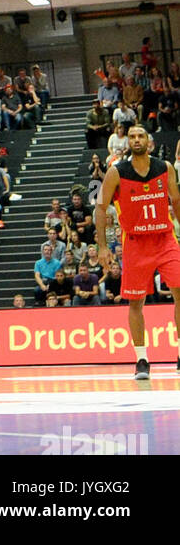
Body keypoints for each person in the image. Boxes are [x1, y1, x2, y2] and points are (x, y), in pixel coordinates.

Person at [95, 125, 180, 380]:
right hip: (134, 242)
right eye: (132, 136)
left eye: (140, 135)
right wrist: (101, 246)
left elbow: (176, 201)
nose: (136, 139)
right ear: (127, 143)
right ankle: (142, 359)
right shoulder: (116, 172)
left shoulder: (165, 167)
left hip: (165, 239)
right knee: (135, 302)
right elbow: (100, 208)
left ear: (149, 142)